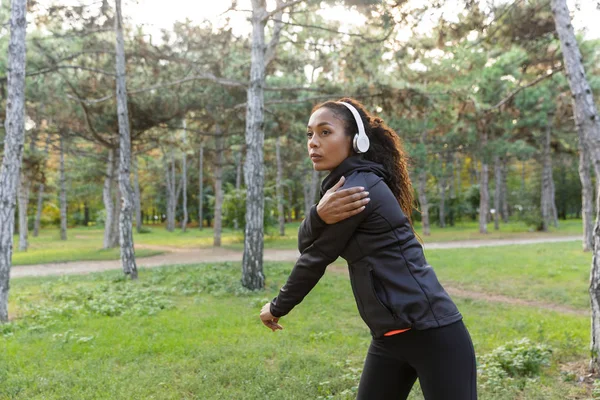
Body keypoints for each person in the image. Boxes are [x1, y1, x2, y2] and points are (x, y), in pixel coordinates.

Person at [259, 98, 477, 399]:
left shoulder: (358, 190)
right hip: (390, 337)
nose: (313, 143)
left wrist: (277, 307)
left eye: (325, 132)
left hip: (432, 333)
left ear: (356, 140)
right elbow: (308, 245)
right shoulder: (341, 187)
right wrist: (318, 214)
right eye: (309, 134)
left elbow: (316, 256)